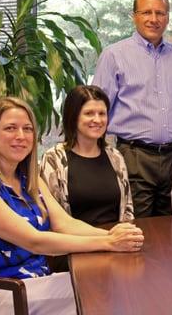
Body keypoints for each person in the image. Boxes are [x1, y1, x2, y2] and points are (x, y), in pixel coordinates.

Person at [0, 97, 144, 315]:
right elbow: (35, 241)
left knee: (107, 281)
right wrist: (108, 242)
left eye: (27, 128)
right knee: (100, 293)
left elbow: (63, 223)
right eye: (10, 128)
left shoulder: (27, 178)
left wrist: (111, 234)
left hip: (34, 285)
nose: (21, 136)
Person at [92, 0, 172, 217]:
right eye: (146, 13)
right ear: (134, 16)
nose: (154, 19)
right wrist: (96, 161)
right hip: (133, 157)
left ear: (168, 18)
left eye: (160, 13)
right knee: (139, 229)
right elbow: (97, 112)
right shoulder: (114, 55)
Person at [40, 85, 133, 226]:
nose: (97, 120)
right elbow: (51, 218)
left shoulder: (116, 157)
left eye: (102, 113)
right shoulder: (53, 159)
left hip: (116, 241)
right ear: (73, 116)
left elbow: (127, 211)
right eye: (89, 113)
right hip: (75, 243)